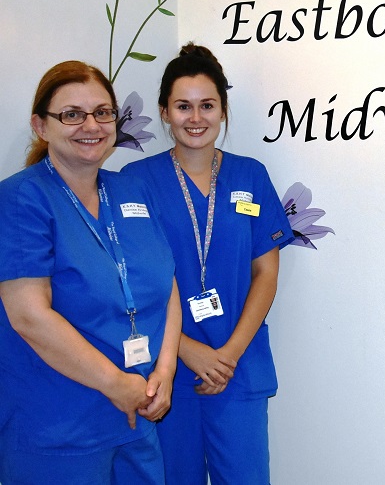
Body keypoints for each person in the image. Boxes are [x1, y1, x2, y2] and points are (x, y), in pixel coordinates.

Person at [0, 61, 182, 484]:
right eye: (71, 114)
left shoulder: (130, 190)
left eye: (102, 112)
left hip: (138, 414)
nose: (91, 125)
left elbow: (165, 284)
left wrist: (166, 372)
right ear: (41, 126)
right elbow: (29, 316)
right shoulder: (20, 200)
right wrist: (118, 384)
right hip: (59, 428)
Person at [122, 44, 293, 484]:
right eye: (183, 106)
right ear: (164, 111)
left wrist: (227, 357)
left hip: (237, 369)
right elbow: (130, 285)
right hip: (165, 371)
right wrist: (188, 350)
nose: (195, 118)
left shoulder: (250, 175)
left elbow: (266, 274)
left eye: (206, 105)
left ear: (222, 110)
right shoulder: (134, 184)